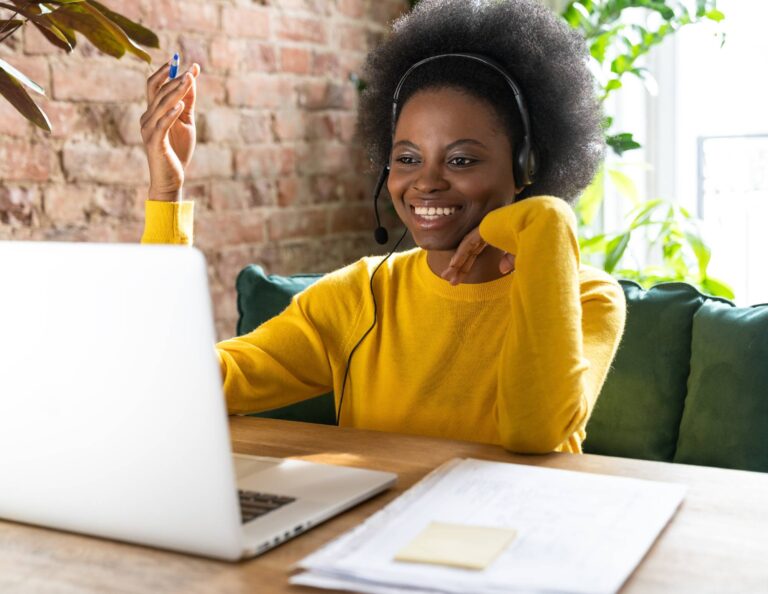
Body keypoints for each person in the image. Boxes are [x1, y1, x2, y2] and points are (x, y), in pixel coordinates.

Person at [139, 0, 626, 454]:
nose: (426, 182)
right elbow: (181, 384)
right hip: (375, 538)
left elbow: (534, 431)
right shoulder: (362, 295)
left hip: (519, 537)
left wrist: (547, 219)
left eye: (460, 159)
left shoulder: (587, 299)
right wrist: (166, 193)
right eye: (407, 158)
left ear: (526, 166)